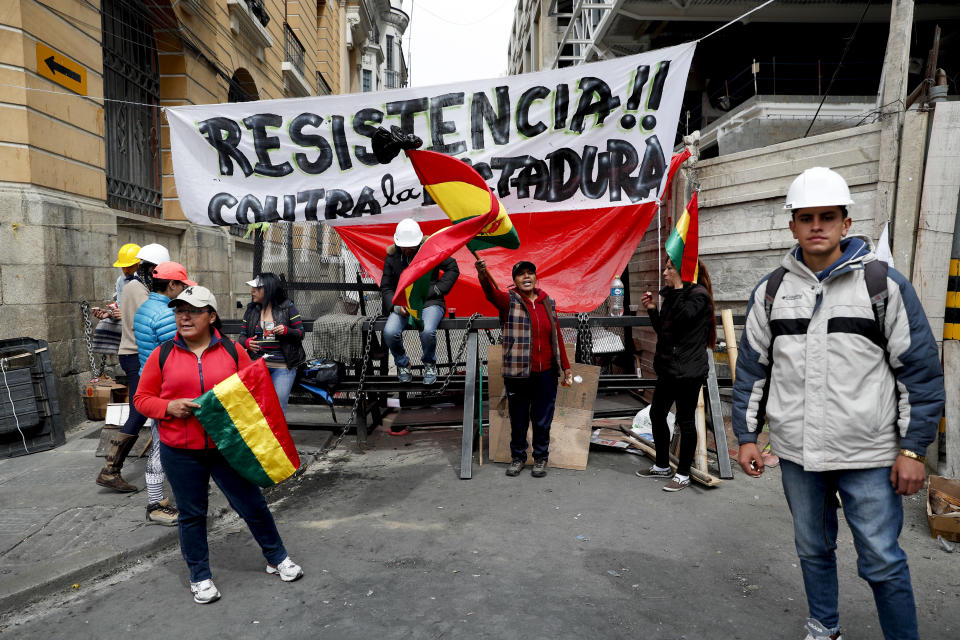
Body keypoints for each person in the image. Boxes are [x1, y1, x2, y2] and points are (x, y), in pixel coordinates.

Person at [732, 167, 944, 640]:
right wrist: (747, 437)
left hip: (868, 454)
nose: (816, 226)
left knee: (882, 560)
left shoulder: (882, 287)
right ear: (792, 225)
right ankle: (823, 626)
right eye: (806, 217)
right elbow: (752, 370)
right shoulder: (771, 292)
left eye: (828, 216)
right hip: (798, 455)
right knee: (811, 548)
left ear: (846, 222)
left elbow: (920, 373)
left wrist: (912, 450)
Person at [134, 285, 303, 604]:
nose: (184, 317)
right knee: (192, 514)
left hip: (228, 447)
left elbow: (254, 395)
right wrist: (167, 407)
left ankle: (276, 558)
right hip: (181, 451)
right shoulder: (163, 354)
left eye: (193, 311)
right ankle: (200, 576)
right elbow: (142, 399)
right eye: (179, 311)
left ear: (211, 316)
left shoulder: (231, 351)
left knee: (252, 505)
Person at [476, 259, 572, 478]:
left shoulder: (548, 302)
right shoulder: (508, 302)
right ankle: (518, 457)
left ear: (536, 277)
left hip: (546, 372)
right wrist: (483, 275)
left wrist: (566, 367)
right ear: (515, 281)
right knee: (518, 419)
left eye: (530, 273)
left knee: (542, 419)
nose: (526, 277)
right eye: (521, 275)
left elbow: (556, 335)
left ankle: (540, 458)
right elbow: (490, 294)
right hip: (518, 372)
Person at [96, 242, 170, 493]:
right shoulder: (137, 289)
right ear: (150, 269)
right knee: (139, 411)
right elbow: (152, 322)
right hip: (137, 354)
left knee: (140, 410)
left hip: (134, 354)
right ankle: (110, 470)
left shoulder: (134, 287)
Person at [637, 258, 715, 492]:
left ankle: (682, 474)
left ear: (684, 272)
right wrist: (652, 311)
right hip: (669, 368)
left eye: (670, 268)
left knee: (686, 420)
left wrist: (679, 288)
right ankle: (662, 465)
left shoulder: (698, 295)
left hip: (688, 371)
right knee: (657, 413)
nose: (665, 272)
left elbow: (683, 322)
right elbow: (665, 331)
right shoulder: (673, 295)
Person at [380, 218, 460, 390]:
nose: (408, 249)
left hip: (430, 302)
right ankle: (402, 364)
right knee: (389, 332)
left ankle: (429, 364)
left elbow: (452, 267)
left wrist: (438, 289)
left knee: (427, 331)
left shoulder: (431, 250)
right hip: (403, 304)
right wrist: (395, 307)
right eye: (404, 246)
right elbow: (386, 286)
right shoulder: (392, 257)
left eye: (412, 246)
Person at [238, 273, 306, 413]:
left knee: (277, 409)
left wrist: (287, 330)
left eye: (257, 288)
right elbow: (242, 336)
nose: (252, 291)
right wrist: (247, 343)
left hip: (282, 366)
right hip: (257, 366)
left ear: (268, 289)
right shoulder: (251, 310)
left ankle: (277, 435)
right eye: (253, 288)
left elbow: (300, 333)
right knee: (256, 409)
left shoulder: (287, 307)